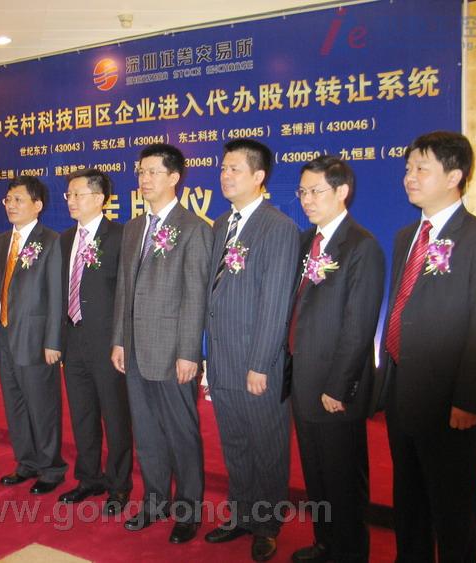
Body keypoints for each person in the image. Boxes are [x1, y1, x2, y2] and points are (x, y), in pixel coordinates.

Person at [379, 131, 476, 561]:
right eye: (407, 168)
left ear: (454, 176)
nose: (409, 177)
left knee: (453, 512)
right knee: (409, 505)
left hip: (450, 404)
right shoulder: (406, 236)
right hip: (403, 395)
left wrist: (468, 399)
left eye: (421, 168)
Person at [111, 143, 213, 544]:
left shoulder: (194, 228)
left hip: (173, 353)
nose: (145, 179)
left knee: (181, 433)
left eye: (153, 172)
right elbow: (124, 288)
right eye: (141, 172)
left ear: (175, 177)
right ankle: (154, 501)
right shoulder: (134, 227)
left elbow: (195, 296)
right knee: (147, 432)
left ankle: (188, 511)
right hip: (135, 349)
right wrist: (119, 340)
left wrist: (189, 352)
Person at [204, 139, 299, 561]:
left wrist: (260, 363)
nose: (225, 176)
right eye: (223, 168)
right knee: (235, 444)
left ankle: (267, 524)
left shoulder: (277, 227)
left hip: (258, 364)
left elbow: (275, 303)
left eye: (235, 169)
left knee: (267, 447)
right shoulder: (221, 224)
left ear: (259, 177)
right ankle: (241, 514)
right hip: (222, 360)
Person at [289, 156, 385, 563]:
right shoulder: (304, 242)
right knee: (317, 475)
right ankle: (325, 543)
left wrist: (338, 386)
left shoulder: (361, 246)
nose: (307, 200)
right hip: (302, 380)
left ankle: (350, 552)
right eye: (302, 192)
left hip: (334, 388)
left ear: (342, 191)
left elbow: (359, 327)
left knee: (344, 479)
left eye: (316, 191)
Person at [0, 176, 66, 494]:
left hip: (36, 339)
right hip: (4, 335)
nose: (11, 205)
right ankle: (26, 462)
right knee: (15, 403)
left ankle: (51, 468)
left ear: (37, 205)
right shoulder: (0, 242)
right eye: (8, 200)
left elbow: (56, 296)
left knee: (42, 405)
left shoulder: (51, 241)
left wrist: (53, 341)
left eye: (18, 199)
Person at [58, 169, 133, 515]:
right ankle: (89, 478)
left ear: (100, 198)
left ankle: (119, 485)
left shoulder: (120, 236)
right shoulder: (65, 239)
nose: (71, 201)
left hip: (107, 344)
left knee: (115, 417)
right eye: (69, 195)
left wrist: (121, 341)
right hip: (73, 340)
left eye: (78, 194)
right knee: (82, 414)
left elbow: (126, 293)